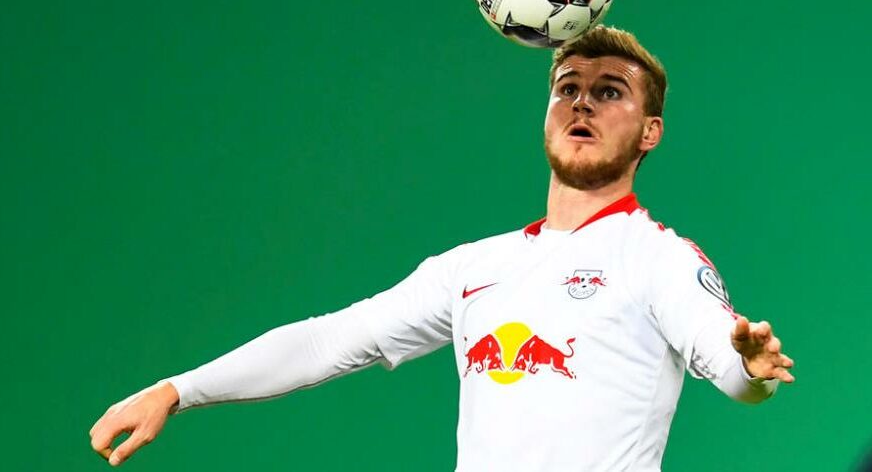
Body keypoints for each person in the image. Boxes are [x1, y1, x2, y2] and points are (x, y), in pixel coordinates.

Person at [89, 26, 794, 470]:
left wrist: (752, 367)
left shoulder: (658, 258)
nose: (582, 103)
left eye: (609, 92)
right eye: (566, 88)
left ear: (650, 133)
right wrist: (178, 390)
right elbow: (330, 340)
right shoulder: (473, 268)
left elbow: (728, 366)